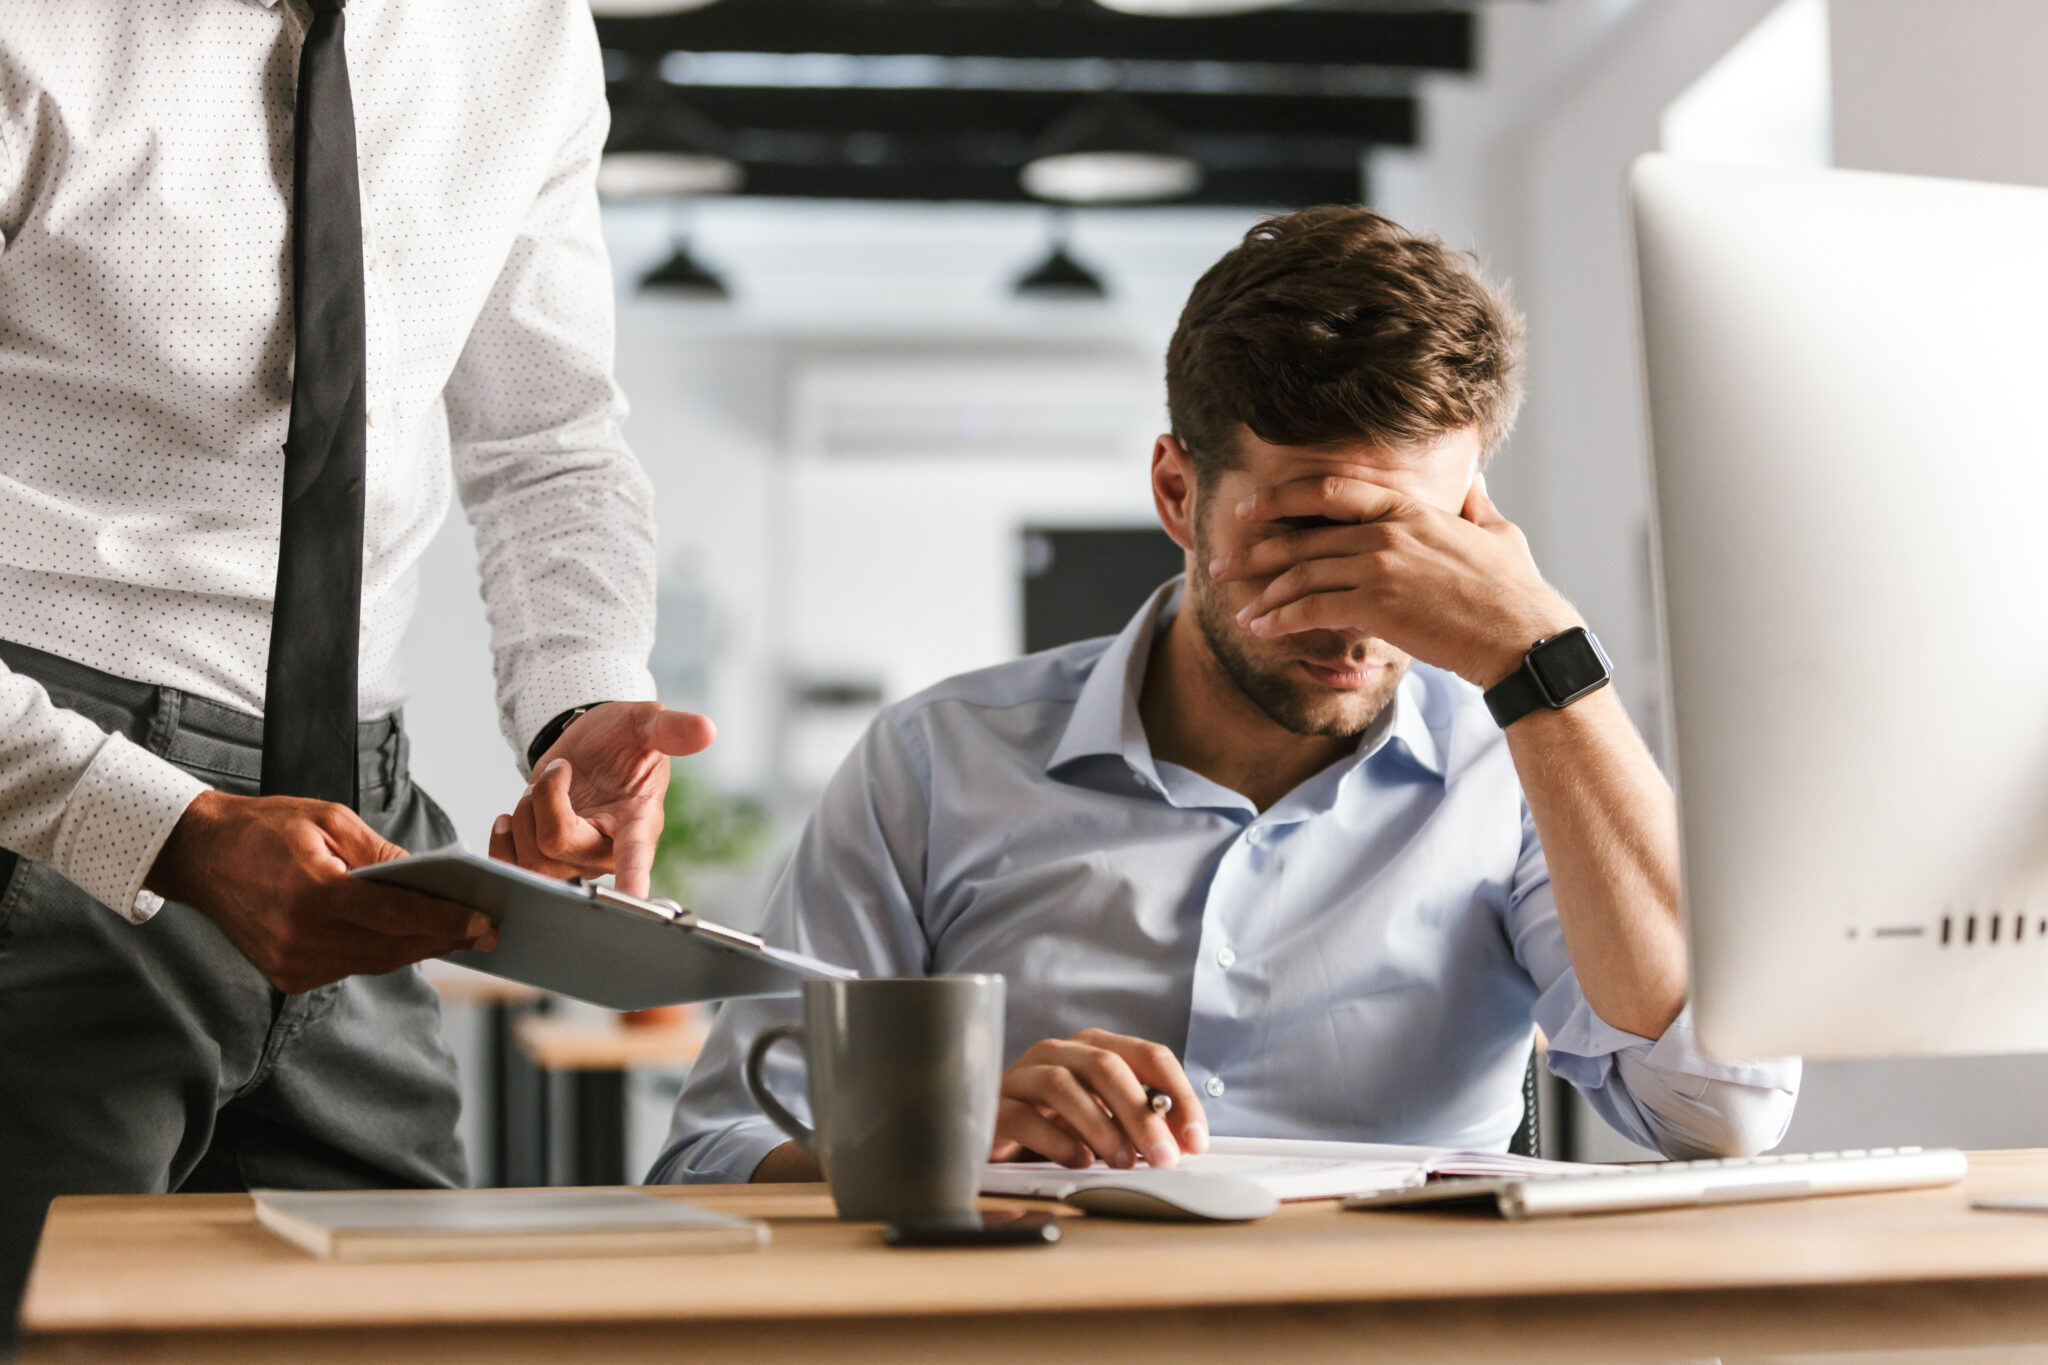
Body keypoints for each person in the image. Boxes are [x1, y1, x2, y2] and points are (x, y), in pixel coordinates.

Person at [655, 206, 1799, 1185]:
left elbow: (1718, 1110)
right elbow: (713, 1145)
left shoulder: (1516, 768)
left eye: (1414, 540)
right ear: (1175, 493)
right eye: (1302, 531)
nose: (1356, 606)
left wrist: (1543, 655)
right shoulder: (932, 764)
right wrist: (935, 1137)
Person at [0, 0, 708, 1290]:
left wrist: (582, 706)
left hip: (358, 813)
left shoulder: (524, 34)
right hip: (50, 804)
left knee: (398, 1317)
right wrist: (163, 828)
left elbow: (548, 441)